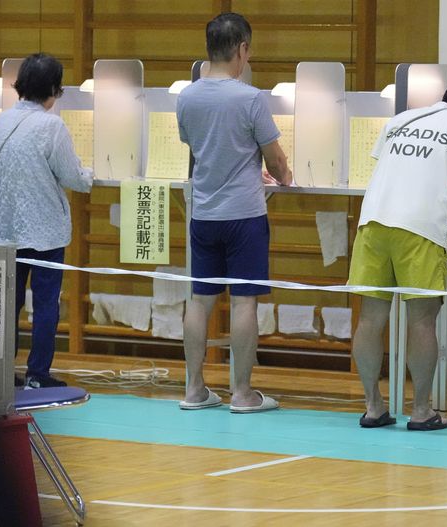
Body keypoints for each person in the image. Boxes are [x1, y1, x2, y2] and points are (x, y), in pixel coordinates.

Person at [348, 84, 447, 430]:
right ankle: (422, 410)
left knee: (370, 319)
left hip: (372, 222)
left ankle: (373, 407)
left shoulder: (400, 120)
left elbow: (402, 168)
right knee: (422, 320)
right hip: (420, 227)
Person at [176, 13, 292, 412]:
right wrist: (285, 175)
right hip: (244, 214)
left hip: (203, 213)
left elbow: (196, 145)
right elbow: (274, 159)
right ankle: (241, 393)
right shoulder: (250, 98)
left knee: (200, 299)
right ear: (242, 49)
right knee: (244, 301)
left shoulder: (187, 96)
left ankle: (194, 389)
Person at [0, 53, 93, 389]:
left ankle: (4, 372)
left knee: (9, 305)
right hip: (45, 231)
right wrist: (89, 175)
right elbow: (73, 177)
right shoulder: (51, 125)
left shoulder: (3, 120)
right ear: (52, 88)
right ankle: (38, 373)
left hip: (6, 230)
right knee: (46, 304)